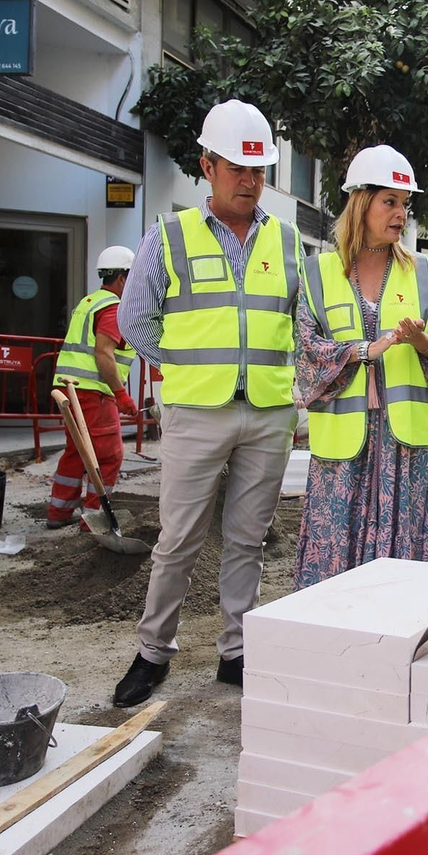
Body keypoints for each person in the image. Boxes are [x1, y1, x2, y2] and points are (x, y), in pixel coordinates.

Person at [113, 100, 302, 707]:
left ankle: (236, 651)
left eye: (259, 171)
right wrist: (180, 368)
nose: (250, 182)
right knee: (179, 538)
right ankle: (152, 652)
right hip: (197, 413)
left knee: (249, 539)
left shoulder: (290, 241)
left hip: (268, 412)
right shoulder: (169, 235)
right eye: (237, 169)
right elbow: (133, 318)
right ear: (208, 166)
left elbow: (305, 326)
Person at [294, 146, 428, 587]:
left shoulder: (423, 272)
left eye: (405, 204)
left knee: (400, 549)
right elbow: (307, 347)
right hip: (341, 446)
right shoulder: (317, 272)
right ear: (361, 202)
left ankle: (396, 633)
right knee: (335, 545)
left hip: (401, 445)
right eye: (390, 201)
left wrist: (422, 342)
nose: (401, 214)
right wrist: (365, 350)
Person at [48, 245, 139, 528]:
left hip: (72, 388)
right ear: (123, 279)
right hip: (93, 393)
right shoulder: (114, 308)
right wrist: (121, 394)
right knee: (109, 455)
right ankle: (95, 519)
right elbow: (104, 353)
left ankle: (59, 512)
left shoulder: (90, 302)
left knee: (78, 452)